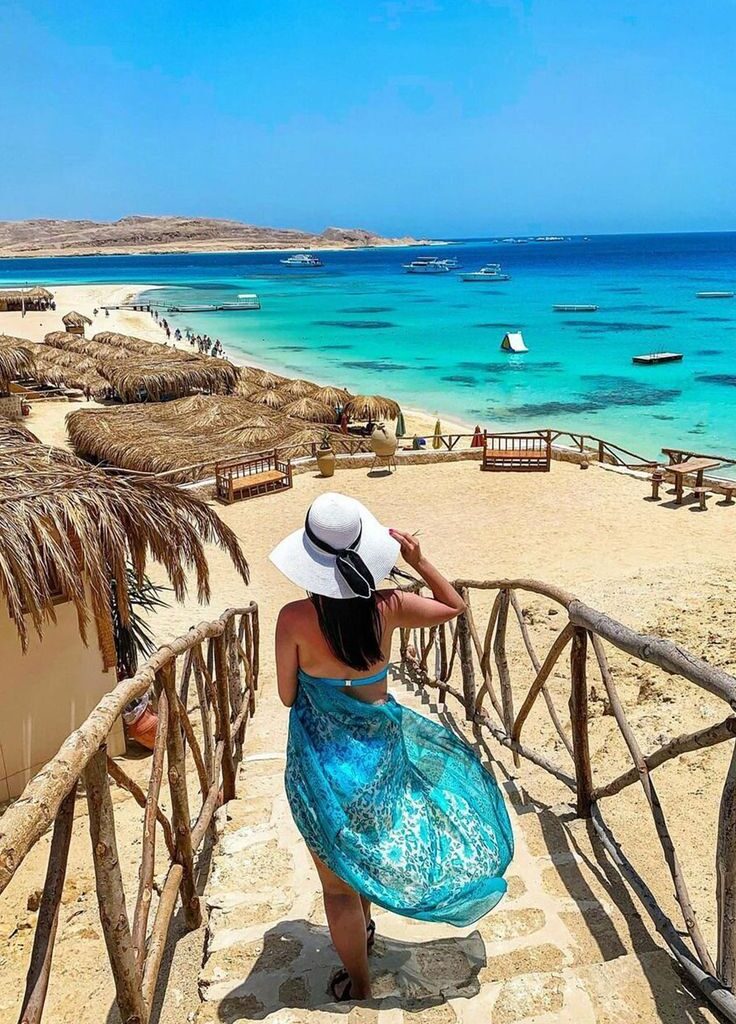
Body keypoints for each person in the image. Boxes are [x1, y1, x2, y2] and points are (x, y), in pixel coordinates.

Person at [271, 493, 513, 1003]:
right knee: (367, 853)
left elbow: (287, 696)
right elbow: (454, 605)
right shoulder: (390, 606)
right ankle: (367, 937)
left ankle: (359, 983)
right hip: (380, 761)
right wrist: (419, 561)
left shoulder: (293, 619)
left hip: (322, 769)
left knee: (337, 886)